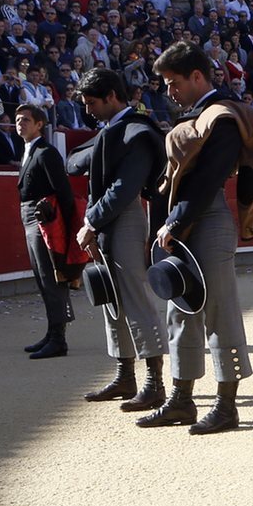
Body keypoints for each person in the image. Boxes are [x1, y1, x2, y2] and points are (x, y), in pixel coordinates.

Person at [139, 41, 253, 435]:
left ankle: (226, 406)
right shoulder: (207, 115)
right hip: (187, 221)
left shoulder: (222, 116)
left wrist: (175, 223)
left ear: (197, 76)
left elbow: (208, 178)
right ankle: (181, 400)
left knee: (218, 312)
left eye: (173, 82)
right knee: (180, 310)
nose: (168, 91)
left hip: (205, 220)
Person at [72, 69, 170, 413]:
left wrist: (91, 221)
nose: (89, 111)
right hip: (107, 218)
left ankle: (155, 383)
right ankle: (125, 374)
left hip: (124, 218)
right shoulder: (117, 130)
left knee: (134, 298)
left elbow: (124, 189)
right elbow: (76, 161)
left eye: (93, 103)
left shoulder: (137, 132)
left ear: (113, 95)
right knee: (113, 302)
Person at [16, 104, 79, 360]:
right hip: (30, 216)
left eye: (26, 120)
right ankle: (52, 332)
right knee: (43, 278)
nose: (20, 123)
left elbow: (63, 192)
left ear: (40, 124)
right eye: (18, 119)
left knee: (52, 276)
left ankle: (58, 339)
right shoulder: (32, 150)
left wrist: (64, 225)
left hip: (44, 218)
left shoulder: (46, 152)